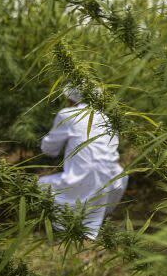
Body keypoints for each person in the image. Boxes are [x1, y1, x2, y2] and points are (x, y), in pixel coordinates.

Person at [39, 86, 127, 239]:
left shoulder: (67, 114)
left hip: (87, 176)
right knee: (92, 196)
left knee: (41, 186)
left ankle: (67, 227)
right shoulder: (106, 118)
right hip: (114, 178)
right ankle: (94, 224)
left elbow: (49, 148)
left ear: (70, 98)